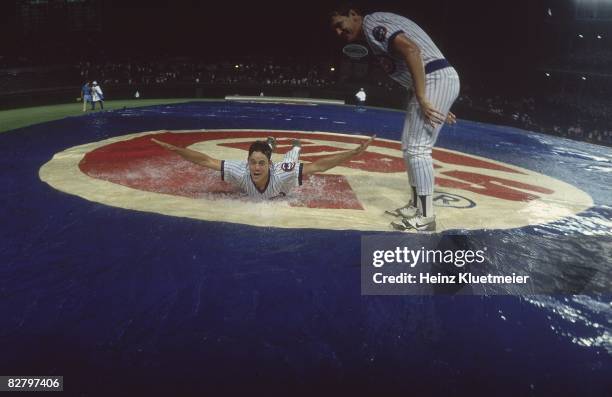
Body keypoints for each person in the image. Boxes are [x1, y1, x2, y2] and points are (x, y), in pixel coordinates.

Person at [330, 5, 460, 232]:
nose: (339, 33)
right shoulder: (372, 32)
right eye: (335, 31)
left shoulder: (371, 24)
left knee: (418, 149)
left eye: (340, 25)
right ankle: (416, 206)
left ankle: (426, 216)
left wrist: (423, 95)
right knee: (410, 147)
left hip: (434, 78)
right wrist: (436, 98)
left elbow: (412, 50)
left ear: (353, 14)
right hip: (433, 81)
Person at [151, 135, 375, 200]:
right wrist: (176, 149)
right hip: (267, 171)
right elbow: (205, 161)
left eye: (261, 163)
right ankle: (269, 144)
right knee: (263, 149)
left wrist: (353, 153)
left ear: (270, 164)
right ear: (247, 162)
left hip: (283, 185)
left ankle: (295, 146)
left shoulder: (281, 171)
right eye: (253, 162)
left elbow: (318, 166)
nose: (256, 167)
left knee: (293, 156)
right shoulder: (241, 169)